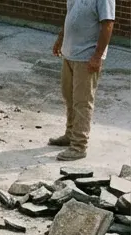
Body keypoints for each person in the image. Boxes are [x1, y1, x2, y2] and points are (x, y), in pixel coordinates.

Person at [50, 0, 116, 161]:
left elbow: (108, 24)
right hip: (70, 52)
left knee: (82, 101)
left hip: (87, 57)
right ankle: (70, 134)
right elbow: (70, 16)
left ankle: (79, 146)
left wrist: (97, 56)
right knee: (69, 97)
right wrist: (61, 39)